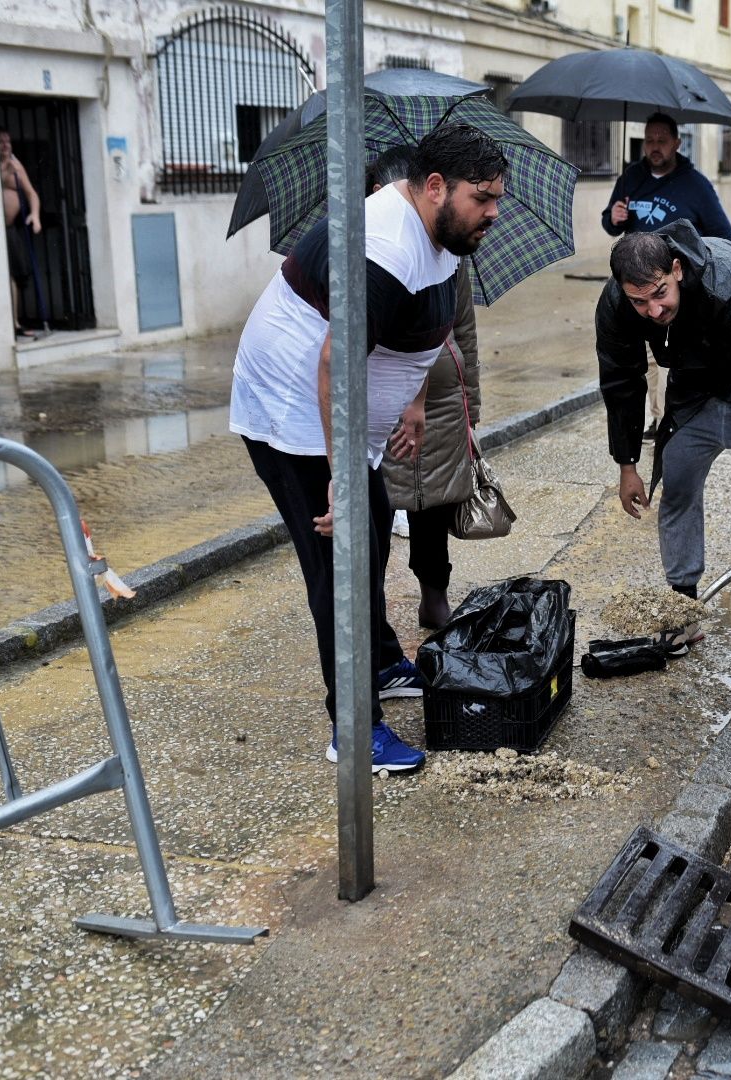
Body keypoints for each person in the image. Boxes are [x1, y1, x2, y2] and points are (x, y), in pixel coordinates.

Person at [228, 124, 505, 773]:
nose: (494, 210)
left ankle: (379, 662)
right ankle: (353, 728)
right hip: (295, 412)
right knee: (340, 562)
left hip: (343, 417)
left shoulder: (441, 230)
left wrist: (411, 396)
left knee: (376, 528)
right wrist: (342, 475)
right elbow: (334, 362)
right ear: (434, 186)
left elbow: (419, 327)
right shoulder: (382, 246)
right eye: (484, 197)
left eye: (498, 197)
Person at [596, 221, 731, 662]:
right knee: (677, 489)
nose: (652, 310)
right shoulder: (618, 303)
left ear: (676, 269)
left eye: (659, 295)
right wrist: (627, 464)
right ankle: (683, 606)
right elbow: (621, 380)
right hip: (694, 390)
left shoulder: (729, 287)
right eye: (639, 301)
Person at [368, 146, 480, 631]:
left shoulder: (451, 252)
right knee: (377, 502)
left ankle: (434, 593)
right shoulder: (369, 249)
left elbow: (466, 332)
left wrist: (471, 405)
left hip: (441, 403)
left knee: (434, 505)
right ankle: (368, 608)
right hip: (381, 400)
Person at [601, 113, 731, 441]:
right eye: (649, 140)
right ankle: (656, 417)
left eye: (662, 140)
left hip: (675, 290)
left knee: (673, 358)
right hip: (636, 288)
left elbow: (725, 237)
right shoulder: (632, 177)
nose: (654, 147)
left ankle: (675, 417)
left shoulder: (696, 186)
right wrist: (614, 217)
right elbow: (609, 222)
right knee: (642, 360)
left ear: (677, 143)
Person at [0, 130, 41, 342]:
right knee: (4, 275)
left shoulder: (16, 166)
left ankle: (15, 323)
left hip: (10, 227)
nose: (5, 145)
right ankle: (9, 323)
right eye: (0, 141)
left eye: (8, 141)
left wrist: (35, 215)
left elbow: (32, 193)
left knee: (16, 274)